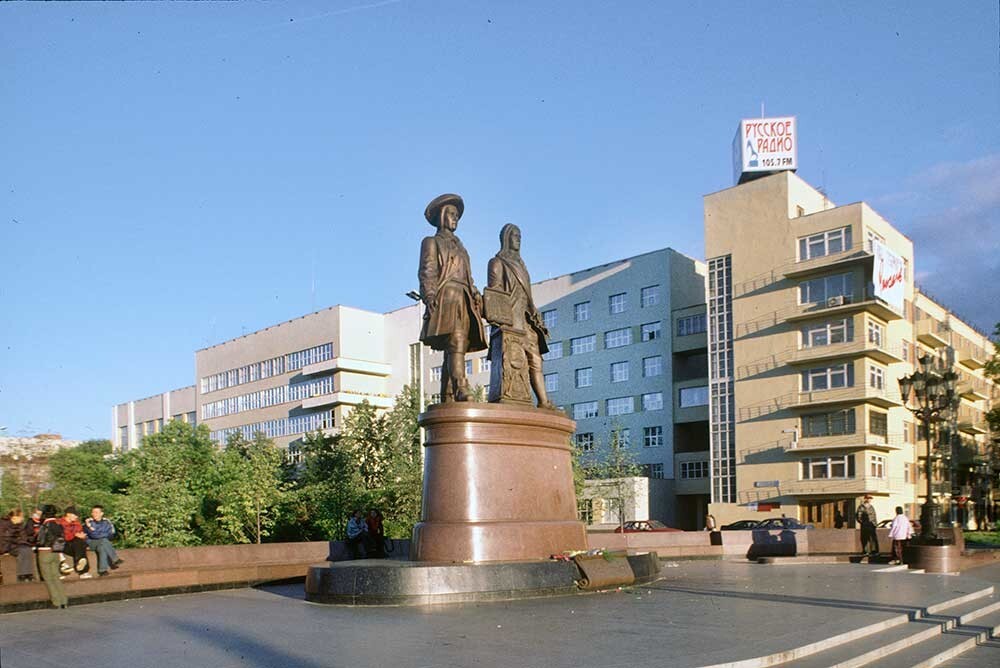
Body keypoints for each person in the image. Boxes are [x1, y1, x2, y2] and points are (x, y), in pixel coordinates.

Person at [418, 193, 488, 402]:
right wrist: (429, 296)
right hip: (446, 298)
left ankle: (447, 395)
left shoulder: (461, 247)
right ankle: (460, 386)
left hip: (464, 298)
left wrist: (475, 292)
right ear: (441, 216)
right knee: (457, 341)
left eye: (457, 215)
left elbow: (468, 276)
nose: (455, 218)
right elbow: (427, 271)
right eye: (451, 214)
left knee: (456, 345)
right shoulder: (431, 242)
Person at [485, 223, 556, 408]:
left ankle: (543, 401)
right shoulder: (497, 262)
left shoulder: (521, 264)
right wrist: (502, 322)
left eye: (520, 236)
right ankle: (523, 399)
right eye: (515, 235)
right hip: (511, 323)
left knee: (536, 360)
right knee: (514, 364)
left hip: (526, 321)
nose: (518, 239)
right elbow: (495, 294)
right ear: (506, 238)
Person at [36, 505, 69, 609]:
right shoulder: (59, 524)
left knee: (49, 578)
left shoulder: (45, 525)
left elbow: (40, 540)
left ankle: (56, 602)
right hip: (56, 552)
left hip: (44, 552)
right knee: (56, 577)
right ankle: (64, 601)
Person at [83, 505, 123, 576]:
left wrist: (98, 533)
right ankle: (115, 559)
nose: (94, 514)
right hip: (91, 543)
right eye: (93, 512)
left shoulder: (107, 522)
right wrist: (102, 534)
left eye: (96, 512)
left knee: (102, 547)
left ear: (102, 513)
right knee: (103, 540)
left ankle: (102, 570)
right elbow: (93, 535)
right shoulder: (88, 523)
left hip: (102, 543)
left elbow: (111, 534)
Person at [1, 508, 37, 583]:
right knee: (22, 550)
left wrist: (27, 542)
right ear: (14, 517)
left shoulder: (19, 525)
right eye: (21, 517)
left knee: (27, 549)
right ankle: (22, 574)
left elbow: (23, 537)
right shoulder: (3, 524)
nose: (22, 518)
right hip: (5, 545)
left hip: (15, 545)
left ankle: (28, 573)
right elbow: (4, 538)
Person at [57, 506, 91, 578]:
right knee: (80, 547)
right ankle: (82, 570)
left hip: (75, 544)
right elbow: (63, 536)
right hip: (63, 544)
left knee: (80, 544)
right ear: (68, 514)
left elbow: (80, 532)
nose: (76, 517)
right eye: (75, 515)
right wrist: (75, 535)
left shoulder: (77, 523)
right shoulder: (60, 523)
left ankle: (81, 568)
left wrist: (82, 535)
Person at [856, 494, 879, 560]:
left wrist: (875, 524)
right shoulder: (861, 507)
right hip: (865, 526)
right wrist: (863, 523)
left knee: (873, 539)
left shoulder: (871, 507)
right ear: (865, 499)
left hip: (872, 525)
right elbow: (858, 516)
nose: (869, 500)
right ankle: (865, 551)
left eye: (870, 498)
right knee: (864, 538)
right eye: (868, 498)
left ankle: (874, 551)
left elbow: (874, 516)